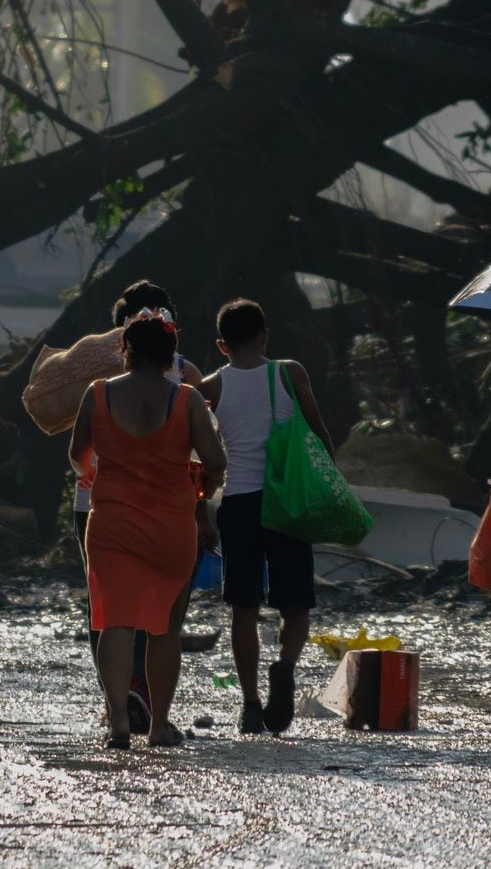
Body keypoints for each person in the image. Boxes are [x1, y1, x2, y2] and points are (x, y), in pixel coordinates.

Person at [69, 310, 227, 749]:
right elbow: (216, 461)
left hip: (112, 523)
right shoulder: (188, 400)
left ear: (126, 352)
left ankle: (118, 721)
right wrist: (202, 483)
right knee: (164, 629)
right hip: (171, 526)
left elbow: (78, 456)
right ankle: (159, 726)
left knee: (114, 620)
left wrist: (106, 470)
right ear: (169, 354)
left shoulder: (96, 395)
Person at [197, 297, 333, 736]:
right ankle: (286, 667)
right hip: (287, 500)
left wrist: (201, 506)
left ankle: (251, 705)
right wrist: (326, 488)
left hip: (239, 503)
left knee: (244, 609)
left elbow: (198, 454)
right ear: (264, 336)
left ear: (222, 345)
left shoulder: (211, 388)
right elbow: (318, 434)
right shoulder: (290, 372)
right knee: (295, 604)